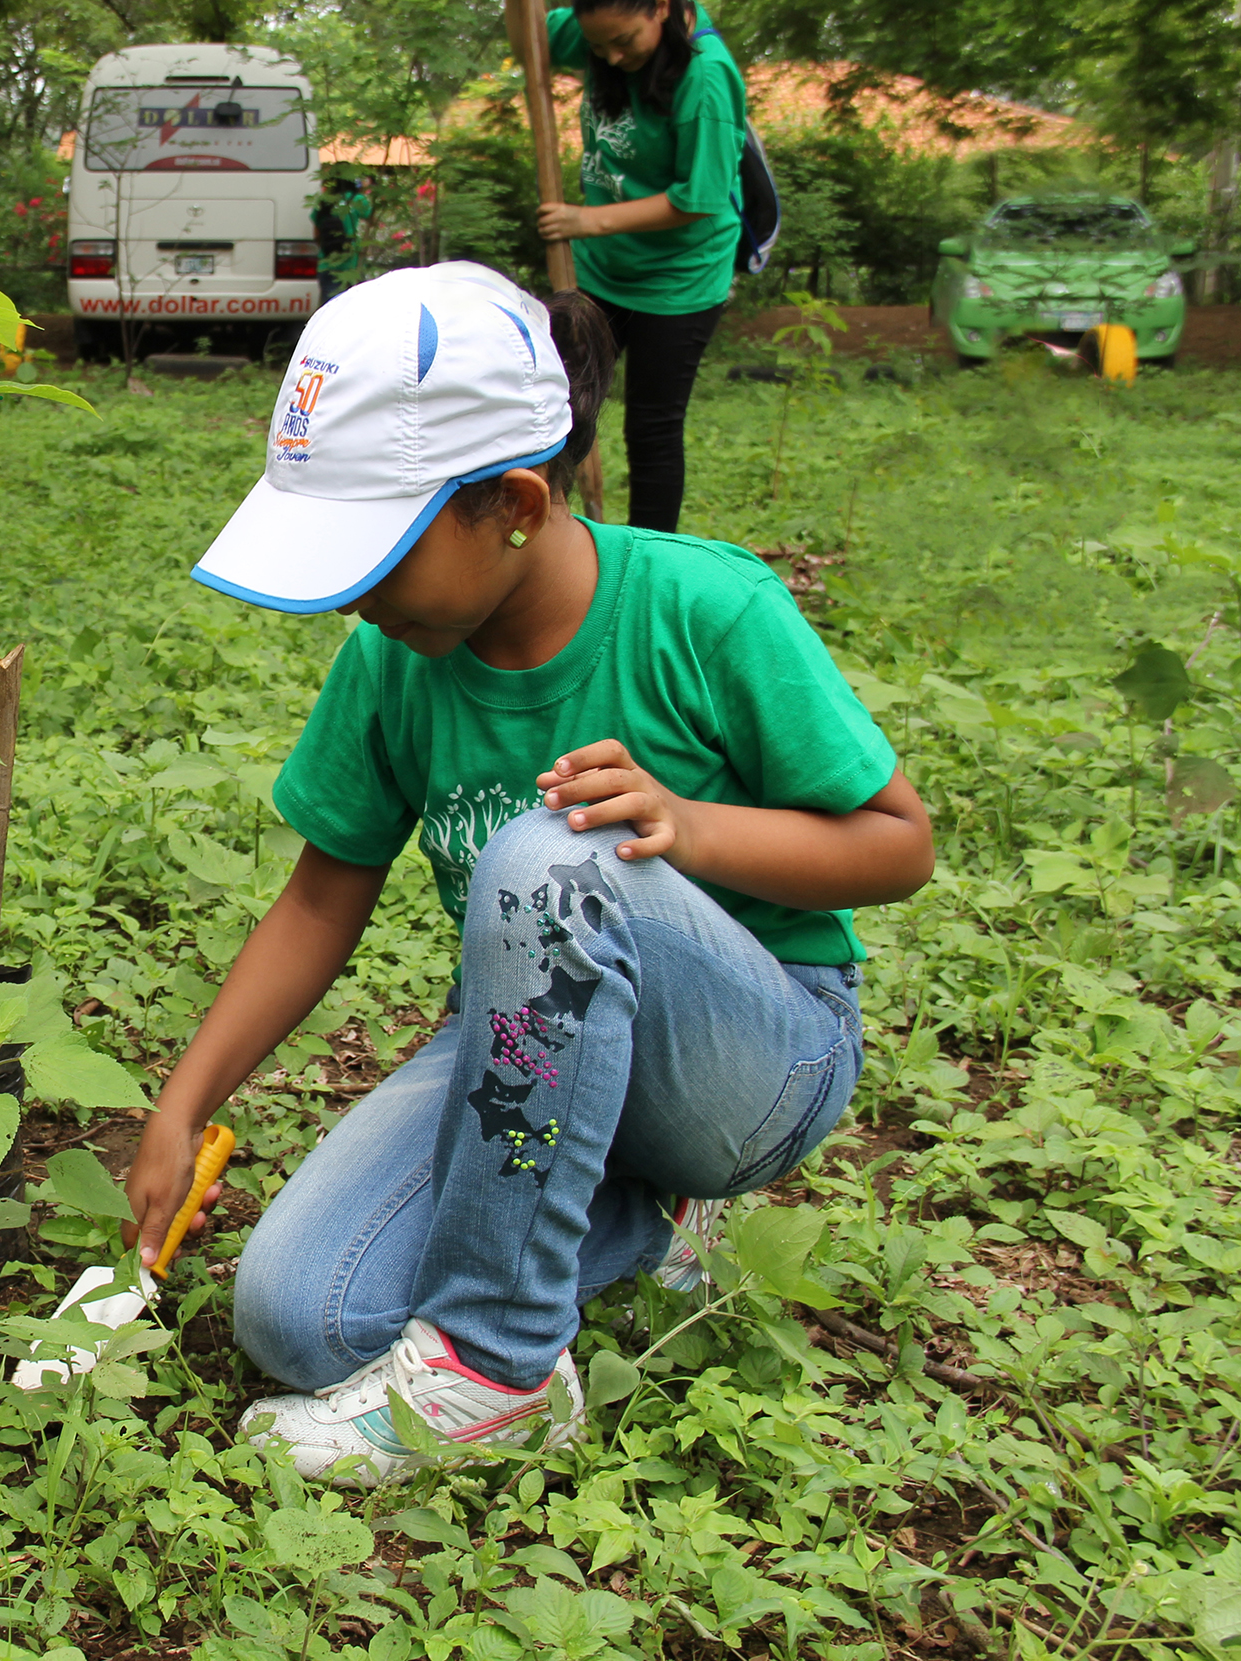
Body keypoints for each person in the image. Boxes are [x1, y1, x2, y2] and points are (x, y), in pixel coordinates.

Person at [126, 262, 932, 1485]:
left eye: (375, 554)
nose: (351, 593)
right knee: (301, 1318)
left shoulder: (704, 610)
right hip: (523, 1057)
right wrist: (183, 1107)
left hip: (754, 1060)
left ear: (510, 504)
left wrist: (688, 827)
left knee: (551, 856)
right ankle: (629, 1227)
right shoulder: (393, 659)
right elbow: (316, 899)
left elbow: (897, 846)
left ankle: (494, 1373)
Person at [534, 0, 747, 533]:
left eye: (625, 40)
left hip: (680, 277)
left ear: (662, 7)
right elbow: (529, 42)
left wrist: (586, 221)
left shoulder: (706, 76)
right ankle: (549, 536)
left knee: (651, 425)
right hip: (600, 270)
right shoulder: (598, 30)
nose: (609, 55)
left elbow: (698, 198)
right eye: (597, 45)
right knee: (554, 401)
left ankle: (651, 557)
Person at [313, 170, 373, 304]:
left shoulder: (324, 200)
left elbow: (316, 233)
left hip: (327, 263)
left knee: (329, 310)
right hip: (352, 263)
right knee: (352, 310)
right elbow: (371, 219)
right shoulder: (357, 199)